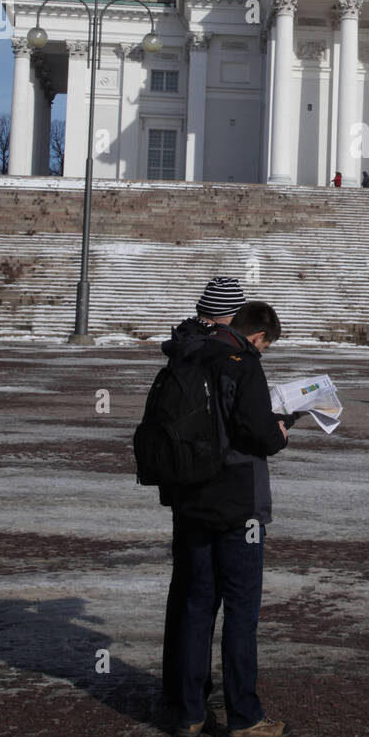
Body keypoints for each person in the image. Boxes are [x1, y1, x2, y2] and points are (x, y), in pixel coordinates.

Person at [165, 300, 296, 737]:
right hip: (238, 503)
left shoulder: (190, 352)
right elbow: (258, 432)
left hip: (191, 497)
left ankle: (188, 712)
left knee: (197, 606)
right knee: (241, 610)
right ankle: (244, 716)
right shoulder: (244, 364)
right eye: (266, 345)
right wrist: (281, 429)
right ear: (258, 336)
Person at [161, 276, 247, 710]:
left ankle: (183, 701)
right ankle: (237, 711)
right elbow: (246, 426)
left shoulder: (183, 344)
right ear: (230, 313)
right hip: (220, 488)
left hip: (183, 484)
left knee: (190, 595)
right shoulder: (224, 352)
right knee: (228, 601)